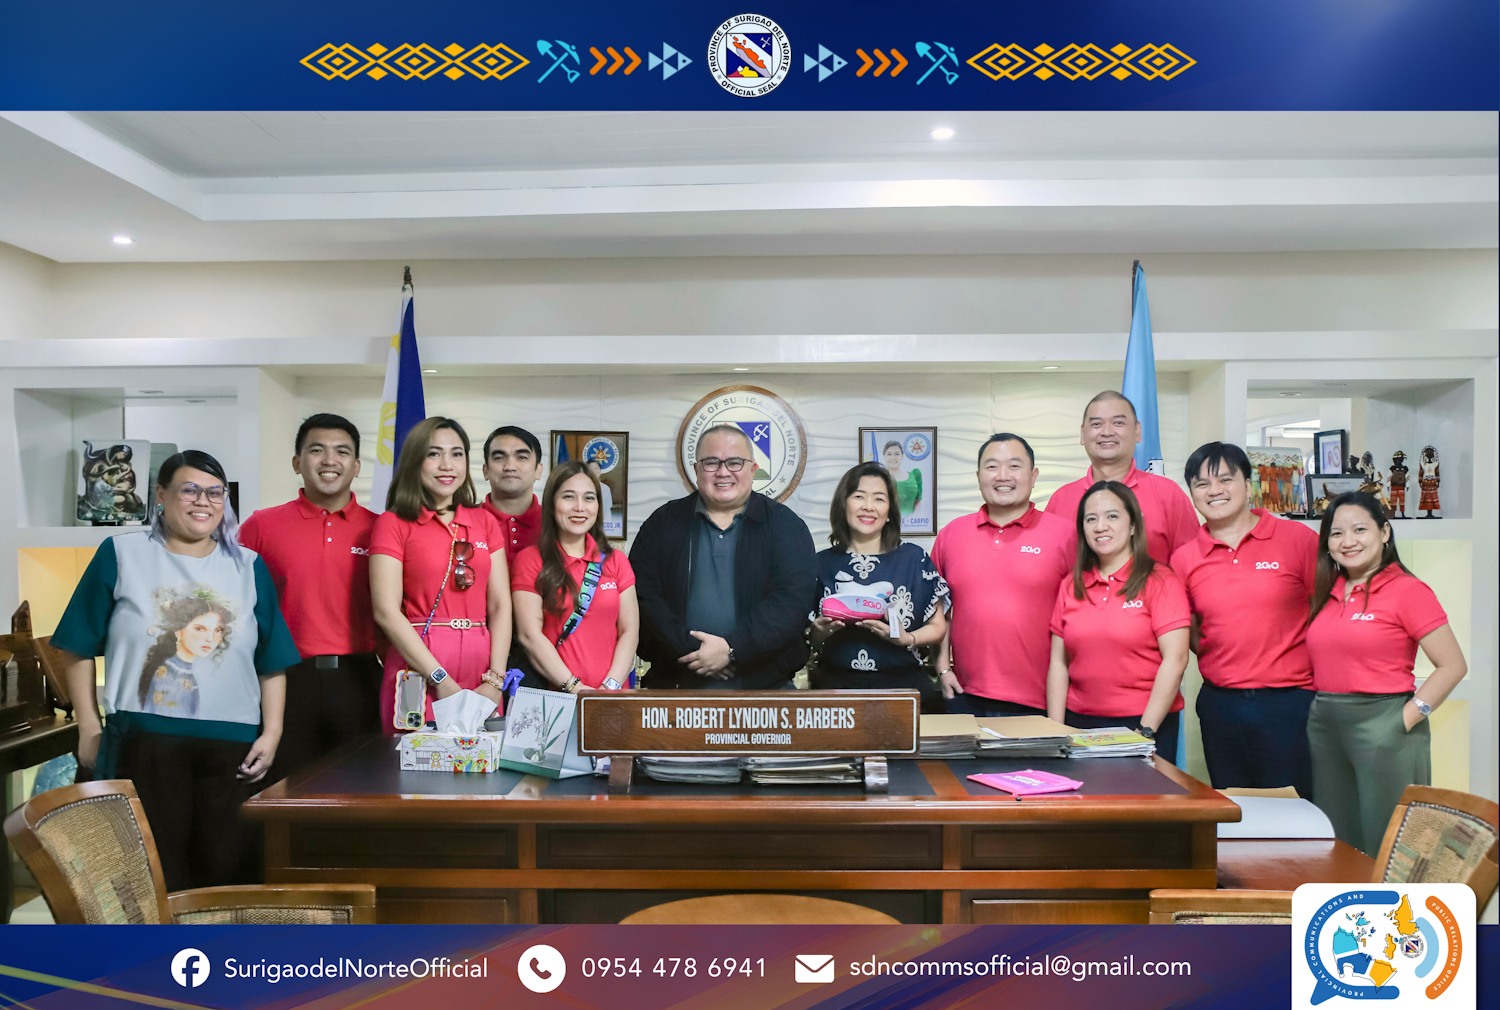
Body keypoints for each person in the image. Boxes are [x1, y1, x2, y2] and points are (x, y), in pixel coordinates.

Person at [51, 450, 298, 890]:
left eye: (215, 493)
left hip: (231, 750)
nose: (203, 501)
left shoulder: (248, 565)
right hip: (143, 744)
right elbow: (77, 644)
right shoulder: (121, 553)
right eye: (190, 490)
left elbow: (271, 659)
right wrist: (88, 727)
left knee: (226, 876)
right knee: (145, 877)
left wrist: (273, 731)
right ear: (160, 495)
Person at [1305, 492, 1467, 855]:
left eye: (1359, 529)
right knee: (1338, 837)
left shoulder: (1408, 590)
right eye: (1336, 533)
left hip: (1386, 722)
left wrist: (1406, 718)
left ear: (1384, 532)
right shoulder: (1328, 591)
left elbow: (1453, 665)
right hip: (1326, 725)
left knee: (1392, 840)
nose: (1348, 541)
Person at [1170, 442, 1318, 798]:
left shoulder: (1298, 540)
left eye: (1225, 479)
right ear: (1192, 493)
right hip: (1221, 704)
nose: (1214, 490)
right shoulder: (1185, 558)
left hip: (1290, 703)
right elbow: (1190, 629)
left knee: (1295, 810)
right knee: (1234, 809)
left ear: (1248, 485)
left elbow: (1324, 610)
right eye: (1202, 484)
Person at [239, 413, 380, 778]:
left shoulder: (380, 529)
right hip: (285, 681)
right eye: (317, 450)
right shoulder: (260, 526)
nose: (330, 460)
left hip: (360, 678)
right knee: (281, 789)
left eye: (342, 452)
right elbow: (236, 609)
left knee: (364, 787)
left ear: (357, 466)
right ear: (297, 462)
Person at [631, 423, 816, 690]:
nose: (723, 472)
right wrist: (697, 653)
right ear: (696, 469)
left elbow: (791, 602)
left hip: (766, 688)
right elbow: (644, 597)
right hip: (676, 684)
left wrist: (733, 649)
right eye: (711, 462)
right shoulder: (662, 523)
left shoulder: (786, 526)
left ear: (753, 468)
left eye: (735, 462)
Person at [370, 417, 511, 731]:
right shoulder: (393, 523)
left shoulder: (484, 521)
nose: (447, 464)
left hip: (482, 668)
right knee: (416, 757)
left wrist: (495, 679)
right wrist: (440, 679)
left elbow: (500, 605)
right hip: (419, 665)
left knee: (483, 755)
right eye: (434, 454)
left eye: (456, 454)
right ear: (414, 461)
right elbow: (386, 611)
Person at [931, 434, 1074, 716]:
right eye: (992, 466)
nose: (1003, 476)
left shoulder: (1066, 535)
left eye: (1014, 466)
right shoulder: (952, 534)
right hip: (964, 695)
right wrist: (942, 669)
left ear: (1033, 476)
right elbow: (937, 610)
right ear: (978, 476)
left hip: (1042, 701)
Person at [1047, 481, 1191, 760]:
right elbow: (1058, 663)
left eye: (1112, 516)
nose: (1100, 526)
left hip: (1145, 724)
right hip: (1079, 725)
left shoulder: (1160, 580)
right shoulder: (1070, 585)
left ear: (1133, 525)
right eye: (1091, 519)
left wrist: (1145, 731)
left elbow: (1176, 659)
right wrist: (1055, 731)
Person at [807, 462, 949, 711]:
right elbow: (807, 636)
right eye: (859, 496)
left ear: (890, 511)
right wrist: (819, 633)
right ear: (843, 504)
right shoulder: (820, 564)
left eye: (879, 499)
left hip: (904, 690)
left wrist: (907, 638)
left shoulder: (914, 559)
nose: (868, 506)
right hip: (834, 691)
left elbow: (938, 627)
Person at [510, 461, 639, 692]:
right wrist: (576, 689)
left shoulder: (616, 561)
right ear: (552, 504)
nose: (580, 507)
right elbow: (529, 635)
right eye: (569, 497)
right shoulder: (531, 560)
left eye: (589, 498)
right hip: (556, 698)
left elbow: (629, 631)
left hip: (612, 698)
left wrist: (609, 689)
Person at [1043, 390, 1198, 566]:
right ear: (1082, 434)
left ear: (1137, 431)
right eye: (1096, 424)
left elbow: (1192, 566)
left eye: (1118, 423)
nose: (1107, 432)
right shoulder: (1061, 499)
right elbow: (1049, 568)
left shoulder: (1168, 494)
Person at [480, 425, 545, 567]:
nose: (510, 466)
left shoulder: (555, 523)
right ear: (486, 470)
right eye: (499, 458)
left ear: (538, 470)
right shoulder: (465, 523)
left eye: (522, 457)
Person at [880, 439, 922, 518]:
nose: (893, 457)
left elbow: (917, 502)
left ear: (902, 456)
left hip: (911, 522)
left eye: (897, 454)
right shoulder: (879, 478)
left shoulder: (915, 475)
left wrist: (913, 518)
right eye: (889, 454)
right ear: (884, 456)